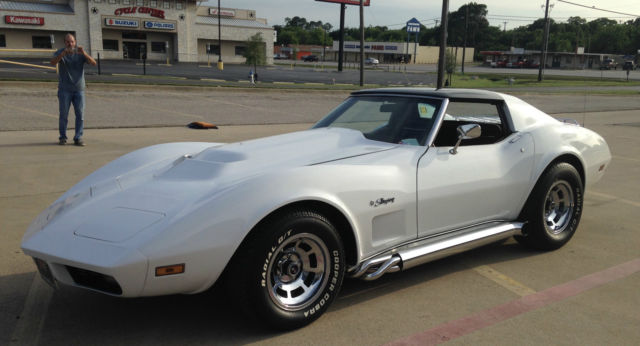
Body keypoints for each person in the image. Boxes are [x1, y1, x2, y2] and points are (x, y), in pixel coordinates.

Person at [50, 33, 96, 146]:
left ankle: (78, 137)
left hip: (79, 89)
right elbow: (53, 62)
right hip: (64, 89)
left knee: (80, 114)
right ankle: (62, 137)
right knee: (63, 114)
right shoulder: (61, 52)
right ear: (64, 43)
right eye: (67, 42)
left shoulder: (80, 54)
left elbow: (94, 63)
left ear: (75, 42)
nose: (70, 44)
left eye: (72, 41)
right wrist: (62, 54)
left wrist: (84, 53)